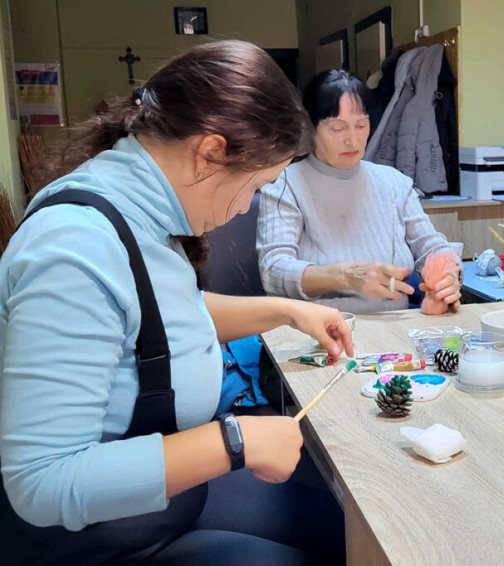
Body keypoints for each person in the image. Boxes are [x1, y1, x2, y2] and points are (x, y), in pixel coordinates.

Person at [0, 41, 351, 565]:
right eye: (255, 185)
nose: (245, 208)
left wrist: (288, 311)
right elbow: (42, 482)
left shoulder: (139, 212)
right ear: (209, 152)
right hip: (99, 538)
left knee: (345, 527)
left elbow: (155, 320)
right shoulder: (75, 247)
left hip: (164, 505)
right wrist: (235, 441)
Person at [257, 69, 462, 314]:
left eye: (361, 125)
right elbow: (274, 270)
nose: (353, 140)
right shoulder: (285, 184)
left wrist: (446, 275)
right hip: (320, 329)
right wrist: (345, 276)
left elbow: (431, 247)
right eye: (338, 128)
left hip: (394, 328)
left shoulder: (394, 183)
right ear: (309, 129)